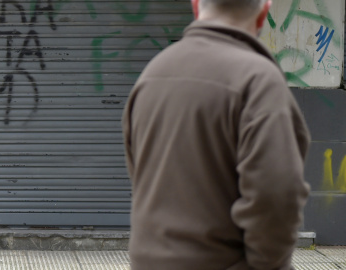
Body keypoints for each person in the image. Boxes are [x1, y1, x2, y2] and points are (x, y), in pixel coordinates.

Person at [121, 0, 311, 269]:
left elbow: (140, 174)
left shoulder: (152, 75)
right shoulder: (259, 81)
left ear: (196, 5)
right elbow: (276, 194)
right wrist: (267, 263)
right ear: (264, 12)